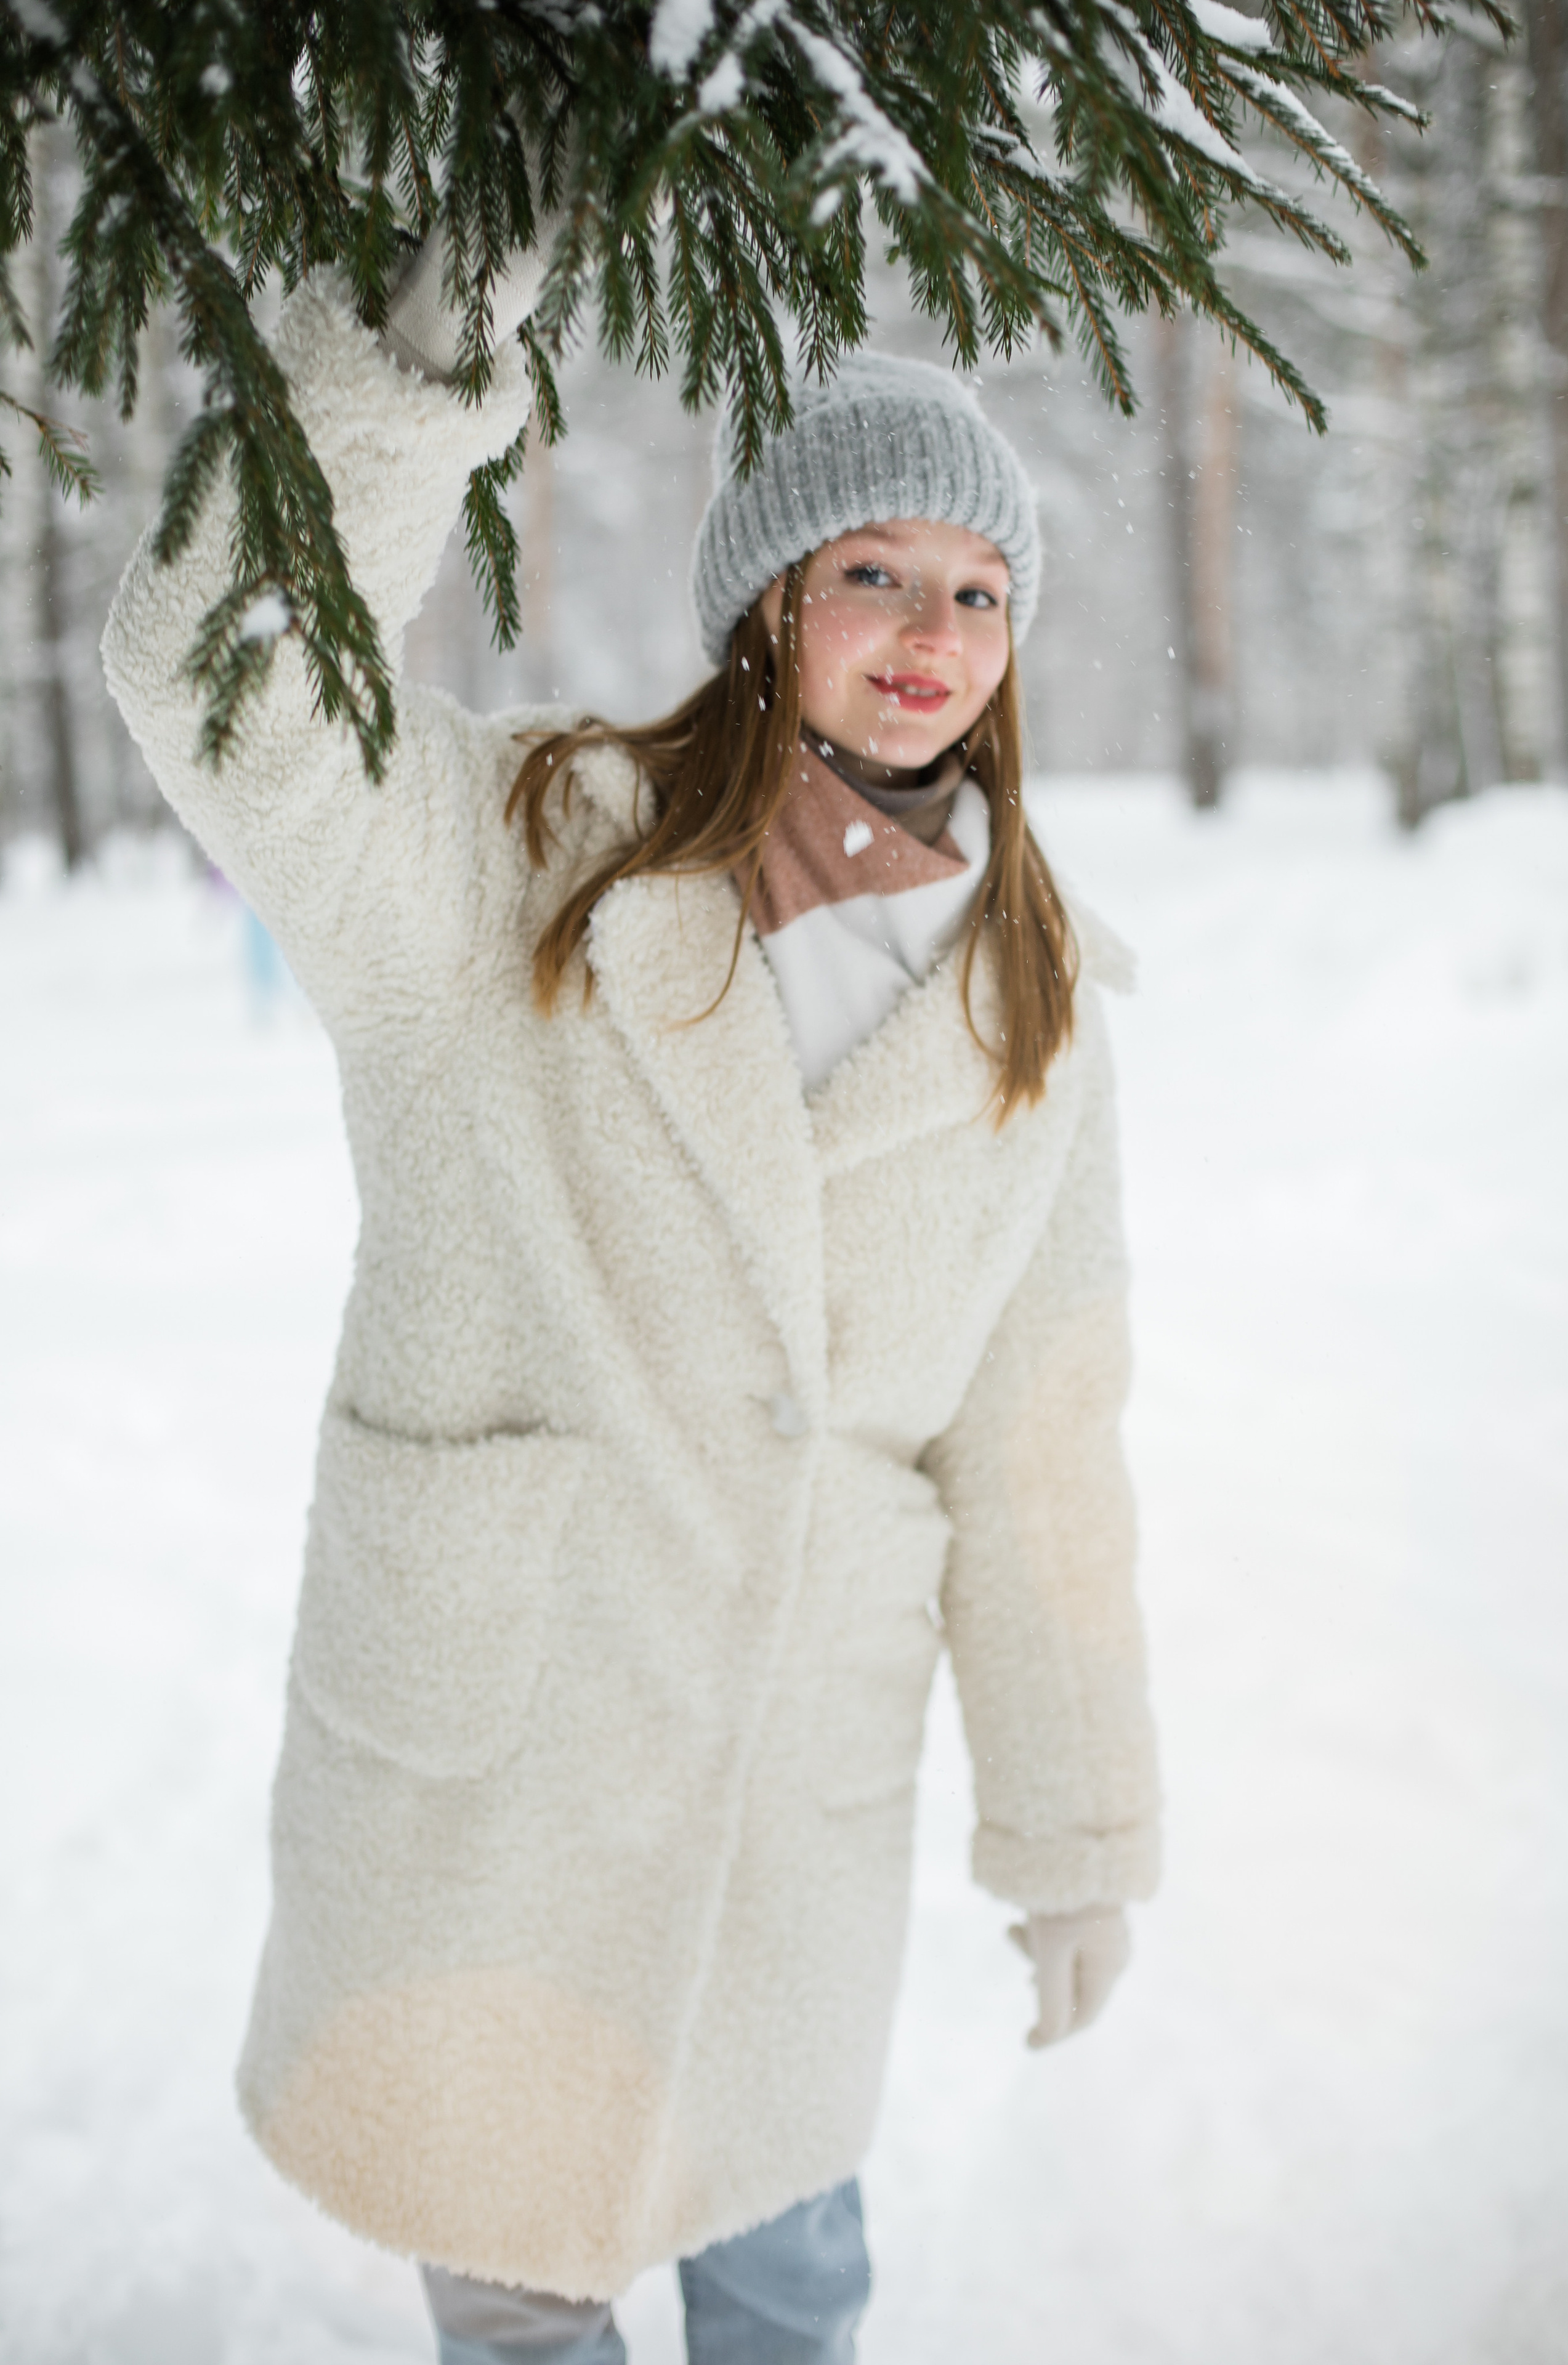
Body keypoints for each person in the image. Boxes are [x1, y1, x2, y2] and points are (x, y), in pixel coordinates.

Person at [102, 230, 1161, 2365]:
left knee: (791, 2275)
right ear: (770, 598)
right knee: (517, 2299)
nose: (934, 634)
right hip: (501, 1767)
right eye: (875, 572)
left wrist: (1076, 1824)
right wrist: (416, 353)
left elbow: (1039, 1441)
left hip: (798, 1794)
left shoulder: (1036, 997)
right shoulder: (512, 863)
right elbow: (215, 658)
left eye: (978, 591)